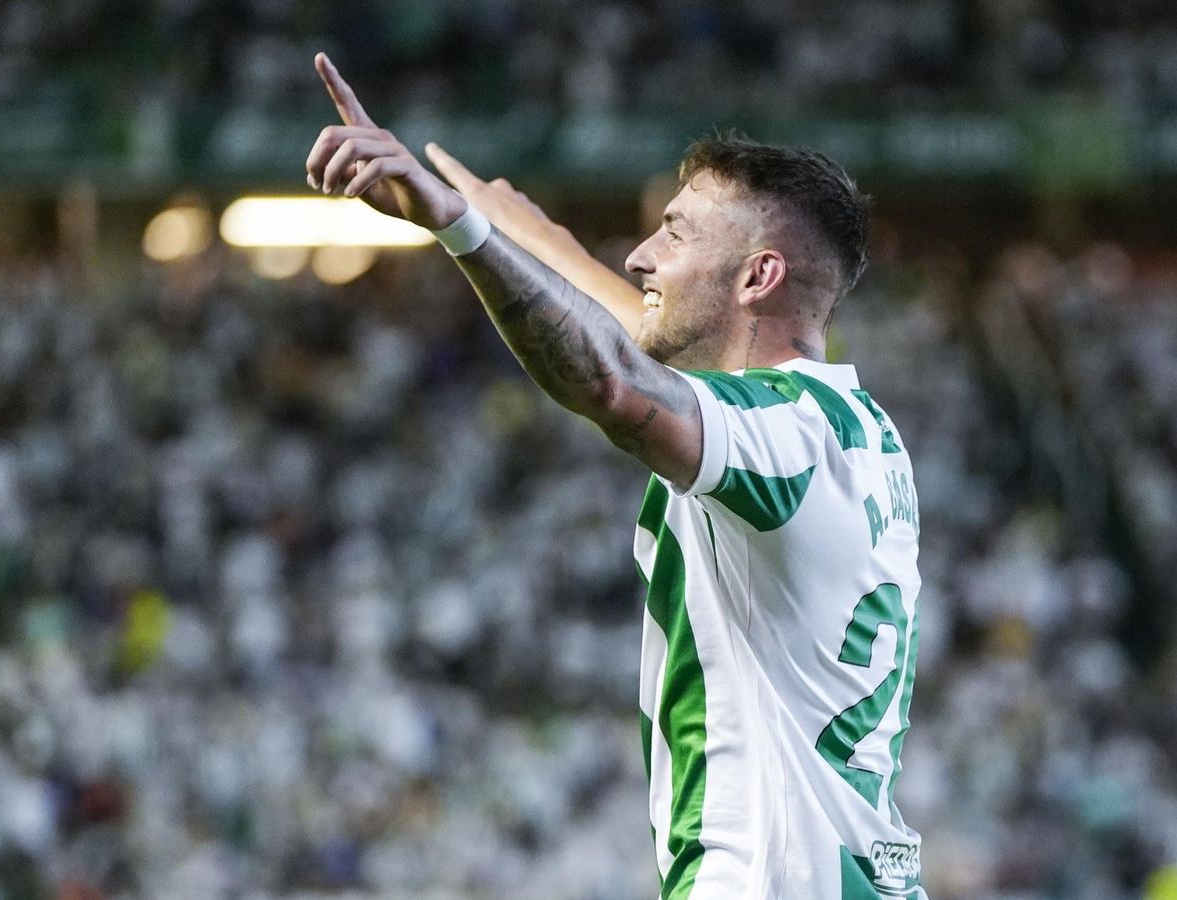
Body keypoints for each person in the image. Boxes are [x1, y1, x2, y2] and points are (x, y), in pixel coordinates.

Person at [305, 52, 926, 899]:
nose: (640, 254)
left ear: (758, 275)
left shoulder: (775, 437)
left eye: (674, 232)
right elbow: (635, 328)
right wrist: (510, 224)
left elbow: (612, 381)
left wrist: (459, 229)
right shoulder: (855, 433)